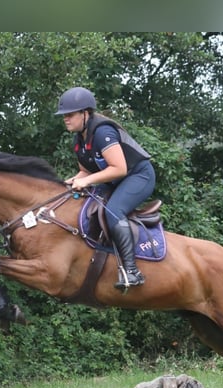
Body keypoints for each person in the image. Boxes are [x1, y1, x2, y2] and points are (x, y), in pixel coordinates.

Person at [55, 86, 156, 290]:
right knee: (88, 207)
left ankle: (132, 271)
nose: (65, 119)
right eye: (64, 115)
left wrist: (87, 181)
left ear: (85, 113)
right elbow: (85, 171)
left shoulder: (102, 132)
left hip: (138, 176)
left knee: (113, 211)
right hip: (114, 180)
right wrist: (72, 181)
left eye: (70, 114)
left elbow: (119, 168)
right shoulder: (79, 139)